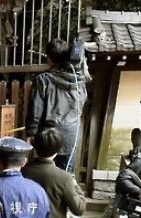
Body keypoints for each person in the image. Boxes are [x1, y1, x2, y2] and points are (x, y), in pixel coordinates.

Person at [25, 38, 88, 173]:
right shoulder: (79, 80)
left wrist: (31, 132)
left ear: (49, 58)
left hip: (48, 134)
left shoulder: (43, 79)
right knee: (66, 173)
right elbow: (82, 103)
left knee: (43, 170)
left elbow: (36, 109)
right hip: (72, 133)